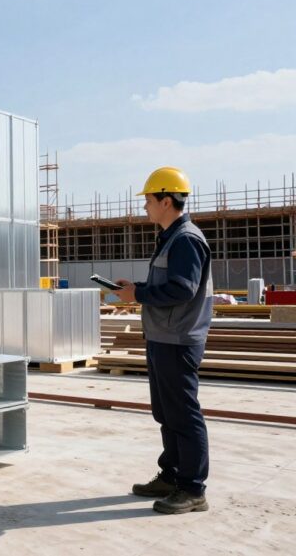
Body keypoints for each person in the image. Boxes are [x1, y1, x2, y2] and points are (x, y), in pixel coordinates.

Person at [114, 166, 213, 515]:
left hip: (178, 339)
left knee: (183, 414)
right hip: (162, 337)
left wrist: (138, 294)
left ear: (166, 200)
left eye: (149, 200)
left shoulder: (186, 239)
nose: (145, 207)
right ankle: (172, 475)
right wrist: (136, 290)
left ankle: (192, 488)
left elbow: (182, 289)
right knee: (166, 412)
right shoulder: (172, 238)